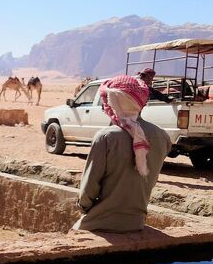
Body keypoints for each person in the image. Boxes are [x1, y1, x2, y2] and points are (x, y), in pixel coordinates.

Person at [73, 75, 172, 233]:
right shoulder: (162, 137)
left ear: (114, 102)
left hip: (100, 222)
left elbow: (88, 192)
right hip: (136, 222)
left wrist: (84, 207)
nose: (104, 106)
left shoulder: (105, 138)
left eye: (106, 101)